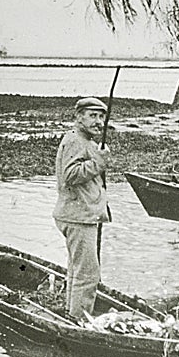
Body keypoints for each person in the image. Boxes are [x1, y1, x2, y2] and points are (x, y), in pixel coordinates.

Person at [52, 96, 111, 320]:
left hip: (82, 215)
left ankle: (71, 314)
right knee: (88, 275)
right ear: (78, 117)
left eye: (101, 117)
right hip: (78, 217)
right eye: (92, 116)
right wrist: (99, 162)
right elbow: (69, 176)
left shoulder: (85, 141)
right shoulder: (76, 140)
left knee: (77, 271)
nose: (98, 122)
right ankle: (79, 321)